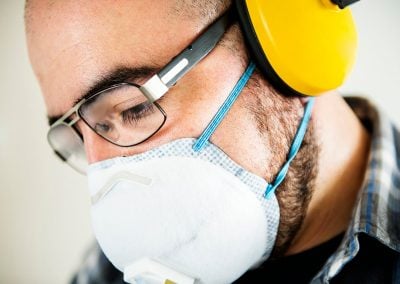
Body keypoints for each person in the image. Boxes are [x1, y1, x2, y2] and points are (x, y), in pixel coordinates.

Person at [25, 0, 399, 283]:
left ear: (289, 43)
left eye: (133, 109)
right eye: (85, 133)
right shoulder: (110, 271)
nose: (107, 174)